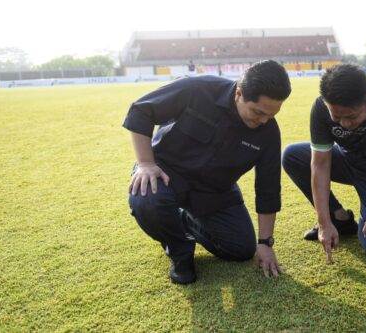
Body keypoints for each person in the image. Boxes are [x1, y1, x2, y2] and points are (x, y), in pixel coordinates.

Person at [123, 60, 291, 284]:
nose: (264, 121)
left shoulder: (268, 131)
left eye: (271, 115)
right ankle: (180, 252)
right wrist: (145, 164)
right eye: (258, 112)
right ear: (239, 93)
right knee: (147, 199)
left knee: (241, 248)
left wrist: (265, 243)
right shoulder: (196, 89)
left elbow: (268, 188)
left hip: (216, 190)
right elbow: (141, 110)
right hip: (166, 173)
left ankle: (181, 221)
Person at [282, 64, 366, 262]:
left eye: (352, 116)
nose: (344, 123)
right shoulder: (320, 107)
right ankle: (339, 219)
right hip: (349, 162)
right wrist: (324, 222)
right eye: (336, 116)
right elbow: (320, 164)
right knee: (292, 156)